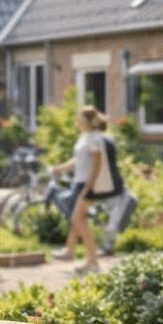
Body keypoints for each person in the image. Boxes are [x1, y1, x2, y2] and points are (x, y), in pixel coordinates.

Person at [50, 105, 124, 275]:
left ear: (89, 121)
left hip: (89, 184)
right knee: (79, 219)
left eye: (80, 118)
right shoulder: (85, 137)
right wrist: (58, 169)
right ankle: (87, 260)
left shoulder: (95, 138)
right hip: (81, 182)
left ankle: (93, 263)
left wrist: (88, 188)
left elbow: (97, 165)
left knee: (79, 219)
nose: (77, 120)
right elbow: (77, 161)